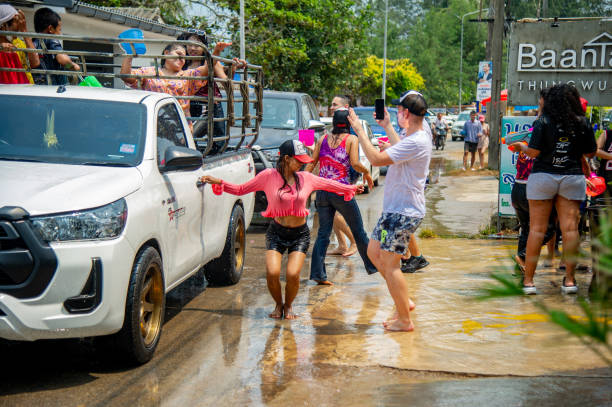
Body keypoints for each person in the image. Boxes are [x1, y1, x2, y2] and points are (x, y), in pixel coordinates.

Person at [200, 140, 363, 319]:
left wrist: (351, 188)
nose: (303, 164)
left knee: (293, 274)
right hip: (277, 232)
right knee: (273, 273)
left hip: (299, 235)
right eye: (298, 160)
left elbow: (330, 184)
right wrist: (219, 182)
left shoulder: (305, 178)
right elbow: (241, 189)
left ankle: (289, 306)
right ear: (286, 158)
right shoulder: (268, 176)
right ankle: (278, 304)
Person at [348, 90, 432, 332]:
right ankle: (403, 301)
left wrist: (360, 131)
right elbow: (400, 147)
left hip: (403, 213)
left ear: (406, 113)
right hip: (393, 212)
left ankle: (405, 319)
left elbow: (374, 159)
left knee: (391, 263)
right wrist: (386, 126)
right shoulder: (413, 136)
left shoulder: (417, 140)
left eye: (398, 111)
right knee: (374, 252)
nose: (397, 114)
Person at [511, 84, 597, 295]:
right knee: (570, 230)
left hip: (543, 177)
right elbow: (592, 153)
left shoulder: (543, 121)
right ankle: (569, 280)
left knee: (536, 230)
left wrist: (522, 147)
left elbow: (532, 153)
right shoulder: (582, 122)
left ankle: (529, 282)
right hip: (572, 177)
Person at [306, 108, 377, 285]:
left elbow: (312, 162)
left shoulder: (322, 139)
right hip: (341, 192)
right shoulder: (351, 139)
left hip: (322, 192)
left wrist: (302, 183)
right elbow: (354, 162)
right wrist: (367, 172)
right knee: (359, 231)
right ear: (348, 123)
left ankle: (318, 274)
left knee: (323, 233)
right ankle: (373, 267)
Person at [177, 31, 245, 154]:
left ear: (204, 46)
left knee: (214, 142)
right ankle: (195, 159)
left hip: (209, 107)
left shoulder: (211, 61)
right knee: (188, 138)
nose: (193, 48)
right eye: (190, 44)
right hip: (187, 105)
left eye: (197, 44)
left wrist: (233, 69)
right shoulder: (182, 63)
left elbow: (225, 82)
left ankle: (199, 159)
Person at [121, 43, 213, 128]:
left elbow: (205, 70)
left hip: (179, 127)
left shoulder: (187, 76)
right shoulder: (149, 72)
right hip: (152, 123)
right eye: (178, 53)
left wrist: (216, 51)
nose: (181, 58)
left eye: (184, 57)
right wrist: (129, 54)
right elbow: (127, 77)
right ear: (166, 53)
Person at [32, 7, 80, 85]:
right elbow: (62, 60)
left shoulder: (33, 42)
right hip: (53, 88)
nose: (60, 33)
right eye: (59, 29)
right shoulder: (51, 39)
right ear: (50, 29)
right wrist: (72, 66)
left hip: (39, 85)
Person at [0, 4, 32, 84]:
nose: (19, 26)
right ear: (3, 25)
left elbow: (35, 63)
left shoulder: (13, 50)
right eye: (16, 22)